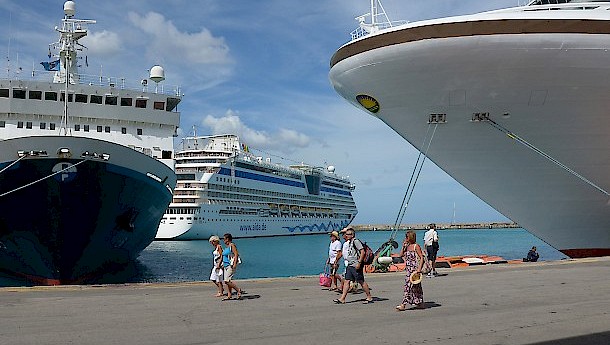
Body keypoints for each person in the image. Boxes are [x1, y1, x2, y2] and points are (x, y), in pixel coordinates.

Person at [333, 227, 373, 304]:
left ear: (352, 235)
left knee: (361, 281)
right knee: (347, 281)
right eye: (345, 234)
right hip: (350, 264)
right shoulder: (350, 242)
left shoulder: (356, 241)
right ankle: (342, 298)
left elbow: (362, 252)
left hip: (355, 264)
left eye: (347, 234)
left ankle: (369, 296)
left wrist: (359, 263)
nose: (346, 236)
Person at [396, 230, 425, 311]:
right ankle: (420, 303)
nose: (405, 238)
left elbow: (421, 257)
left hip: (414, 269)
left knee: (408, 287)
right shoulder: (407, 246)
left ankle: (403, 304)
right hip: (408, 269)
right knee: (416, 287)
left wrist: (419, 268)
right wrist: (403, 246)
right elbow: (400, 255)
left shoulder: (416, 246)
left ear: (411, 237)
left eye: (407, 237)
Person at [222, 233, 243, 300]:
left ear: (227, 239)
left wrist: (234, 264)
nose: (223, 240)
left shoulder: (232, 245)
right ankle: (229, 295)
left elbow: (236, 254)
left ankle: (238, 290)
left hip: (230, 265)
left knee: (226, 281)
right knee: (228, 281)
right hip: (225, 266)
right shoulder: (227, 247)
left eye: (224, 239)